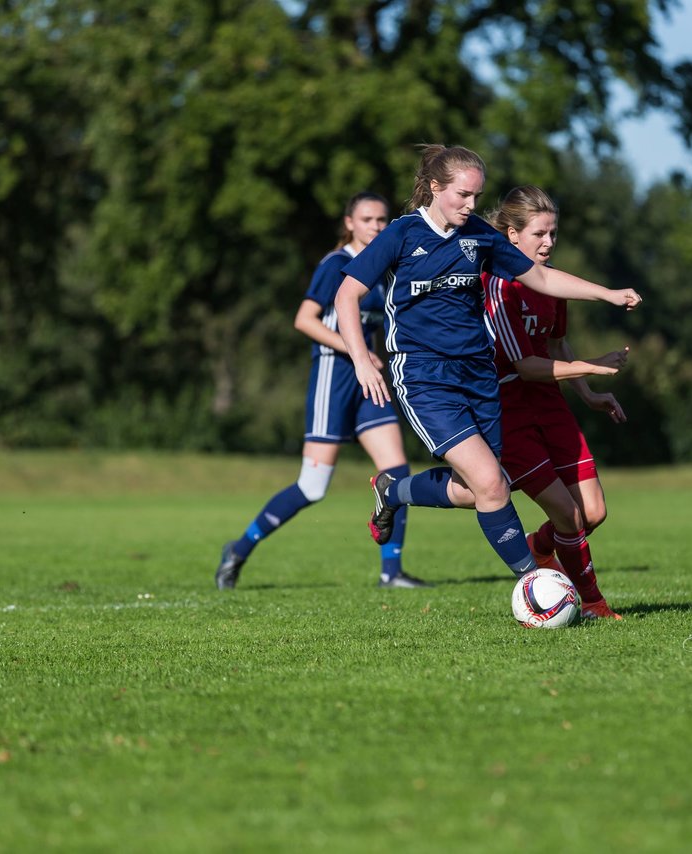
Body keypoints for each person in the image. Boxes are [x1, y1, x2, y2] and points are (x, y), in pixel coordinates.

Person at [334, 145, 641, 585]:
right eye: (462, 195)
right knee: (491, 485)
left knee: (487, 486)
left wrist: (608, 293)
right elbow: (346, 295)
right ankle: (537, 584)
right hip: (424, 377)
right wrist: (362, 360)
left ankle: (394, 491)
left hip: (478, 377)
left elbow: (542, 278)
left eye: (477, 196)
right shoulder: (402, 235)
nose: (471, 205)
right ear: (436, 188)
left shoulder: (479, 235)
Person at [215, 192, 430, 590]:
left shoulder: (383, 268)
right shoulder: (337, 265)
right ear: (349, 222)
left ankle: (391, 572)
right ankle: (239, 549)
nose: (377, 227)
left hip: (368, 383)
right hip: (334, 379)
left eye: (383, 220)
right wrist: (359, 349)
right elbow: (305, 320)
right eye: (368, 219)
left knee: (396, 473)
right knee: (312, 487)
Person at [482, 185, 630, 620]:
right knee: (569, 514)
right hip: (509, 409)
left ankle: (539, 547)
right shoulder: (498, 284)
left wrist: (588, 393)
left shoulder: (553, 284)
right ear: (511, 235)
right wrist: (591, 367)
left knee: (593, 512)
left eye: (553, 234)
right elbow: (526, 366)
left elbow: (557, 343)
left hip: (550, 404)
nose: (548, 243)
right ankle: (594, 604)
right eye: (539, 234)